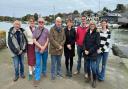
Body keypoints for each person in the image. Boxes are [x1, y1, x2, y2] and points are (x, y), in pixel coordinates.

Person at [83, 21, 100, 88]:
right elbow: (84, 42)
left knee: (93, 68)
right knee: (87, 67)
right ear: (89, 25)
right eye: (91, 24)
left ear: (95, 25)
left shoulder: (97, 33)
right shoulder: (87, 33)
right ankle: (89, 78)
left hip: (93, 54)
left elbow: (97, 45)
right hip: (86, 53)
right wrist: (84, 50)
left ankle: (94, 80)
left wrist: (89, 51)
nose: (92, 25)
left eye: (93, 24)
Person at [33, 18, 49, 85]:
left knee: (45, 62)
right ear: (38, 22)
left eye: (42, 22)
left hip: (45, 50)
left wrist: (44, 48)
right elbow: (34, 40)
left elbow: (48, 40)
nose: (41, 23)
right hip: (37, 50)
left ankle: (44, 72)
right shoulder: (35, 30)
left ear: (44, 23)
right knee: (38, 64)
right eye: (40, 22)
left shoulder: (47, 30)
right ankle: (37, 78)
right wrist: (41, 47)